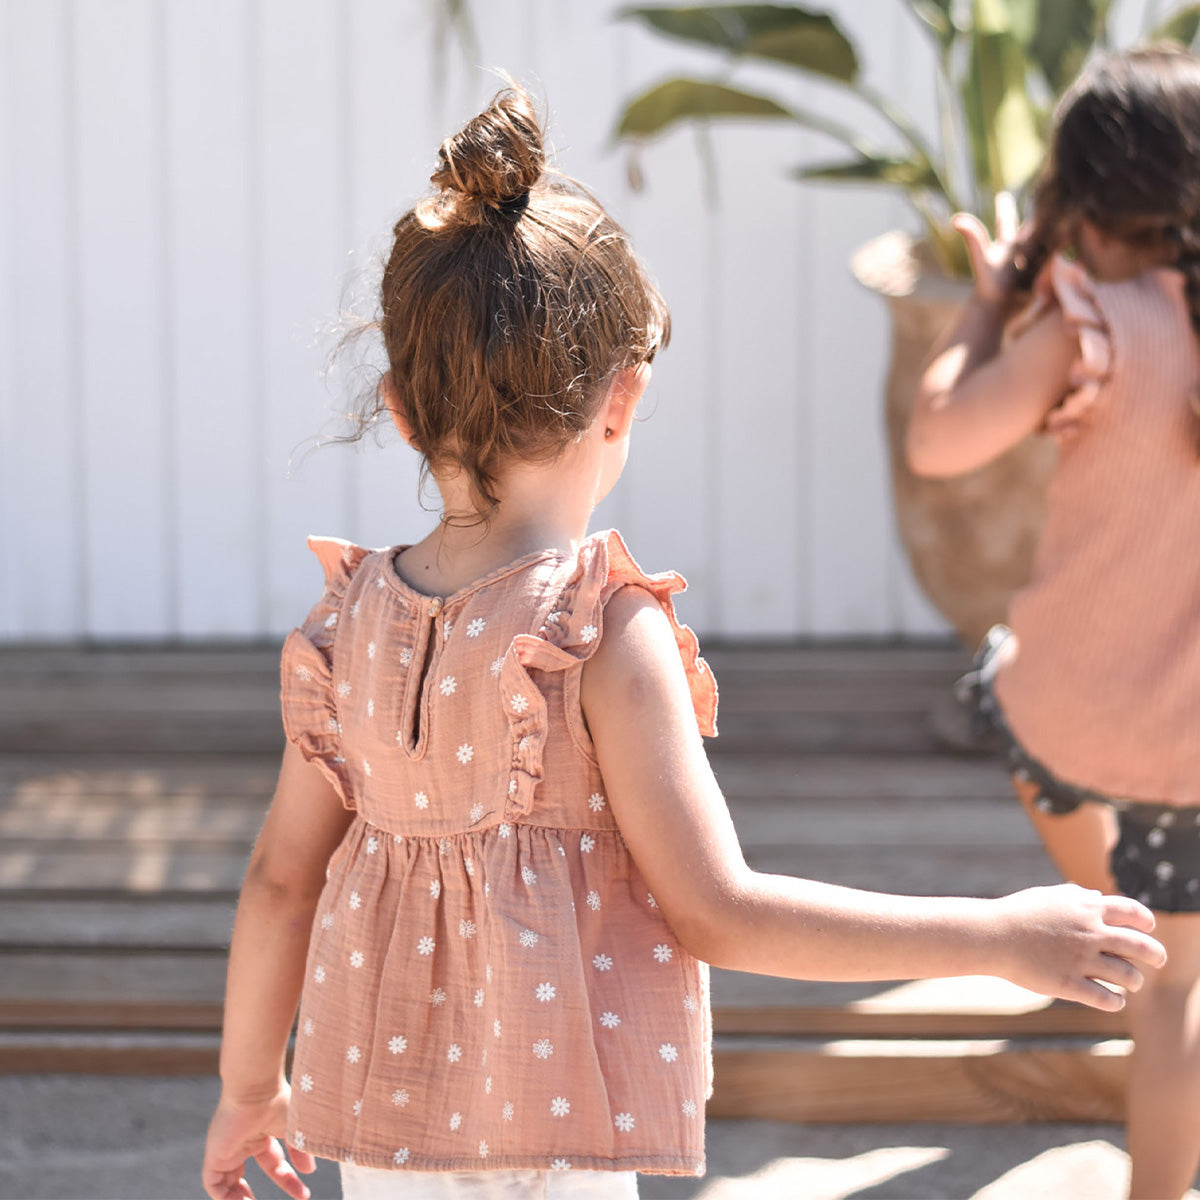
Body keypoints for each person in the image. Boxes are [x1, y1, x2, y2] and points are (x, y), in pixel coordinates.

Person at [202, 84, 1165, 1200]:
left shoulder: (344, 626)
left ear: (403, 413)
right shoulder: (599, 631)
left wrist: (247, 1090)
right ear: (623, 398)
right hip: (555, 1147)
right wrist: (1000, 935)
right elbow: (720, 908)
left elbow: (281, 880)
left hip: (382, 1138)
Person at [908, 44, 1200, 1200]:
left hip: (1079, 722)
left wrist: (989, 303)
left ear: (1076, 200)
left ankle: (1105, 926)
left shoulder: (1090, 328)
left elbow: (939, 441)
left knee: (1007, 681)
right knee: (1184, 989)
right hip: (1194, 751)